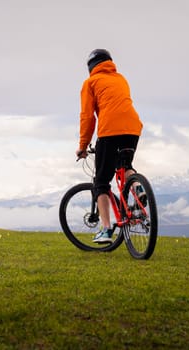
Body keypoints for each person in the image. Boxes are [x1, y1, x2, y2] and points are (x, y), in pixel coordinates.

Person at [76, 49, 144, 243]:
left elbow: (87, 117)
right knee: (124, 165)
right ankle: (138, 188)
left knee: (102, 183)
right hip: (132, 128)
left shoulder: (90, 83)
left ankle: (106, 230)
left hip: (109, 131)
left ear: (91, 66)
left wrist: (82, 146)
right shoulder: (121, 78)